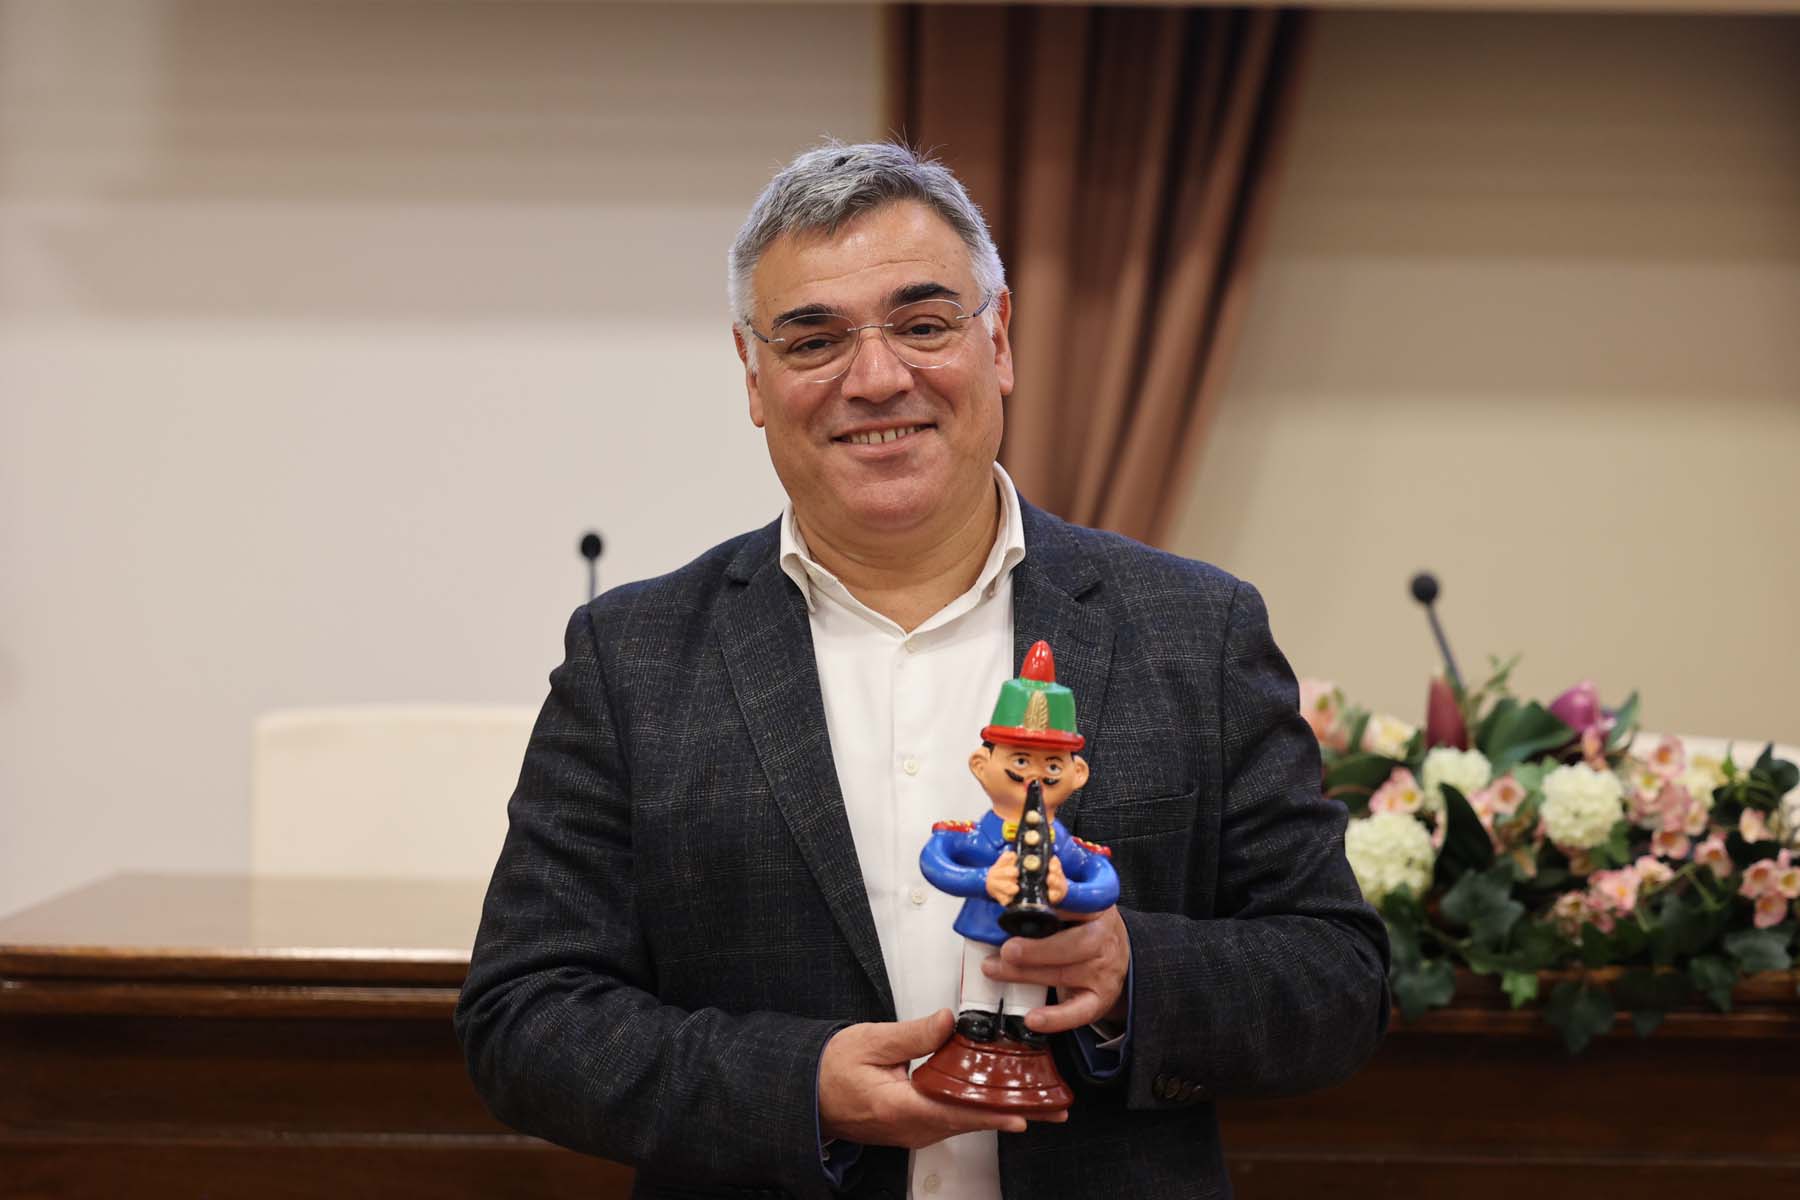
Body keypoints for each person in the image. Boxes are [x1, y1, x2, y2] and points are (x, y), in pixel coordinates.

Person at [455, 141, 1390, 1200]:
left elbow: (1339, 979)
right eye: (814, 340)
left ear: (999, 340)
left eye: (924, 324)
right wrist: (799, 1086)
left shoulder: (1196, 629)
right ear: (753, 377)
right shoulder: (633, 657)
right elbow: (524, 1018)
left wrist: (1134, 972)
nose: (876, 378)